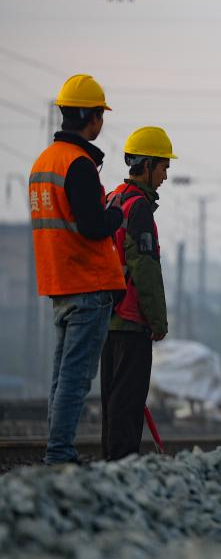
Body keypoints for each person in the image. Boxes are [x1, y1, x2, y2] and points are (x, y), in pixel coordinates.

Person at [29, 74, 125, 464]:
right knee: (76, 377)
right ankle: (60, 453)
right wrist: (115, 216)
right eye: (100, 114)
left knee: (61, 376)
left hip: (60, 283)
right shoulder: (78, 164)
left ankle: (57, 450)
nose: (101, 121)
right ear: (92, 118)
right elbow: (91, 225)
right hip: (87, 283)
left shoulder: (43, 163)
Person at [101, 126, 176, 460]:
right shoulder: (140, 209)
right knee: (129, 398)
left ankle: (112, 461)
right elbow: (145, 267)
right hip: (131, 318)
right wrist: (158, 320)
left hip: (107, 315)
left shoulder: (113, 200)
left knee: (112, 396)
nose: (164, 176)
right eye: (163, 168)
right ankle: (123, 462)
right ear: (147, 165)